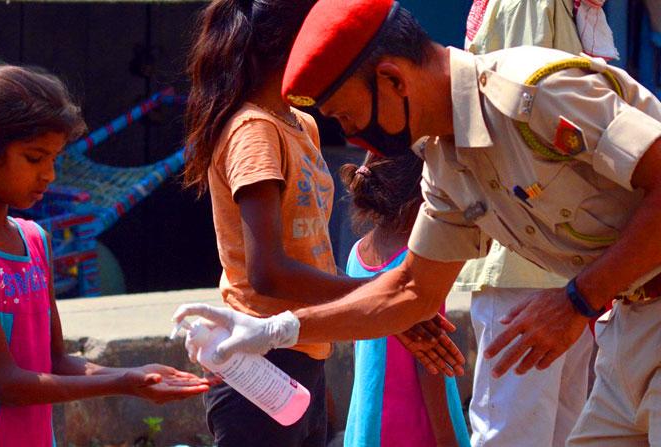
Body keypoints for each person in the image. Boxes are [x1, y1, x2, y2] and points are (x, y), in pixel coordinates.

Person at [174, 0, 661, 444]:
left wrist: (577, 300)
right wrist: (273, 331)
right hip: (629, 330)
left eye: (348, 116)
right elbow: (410, 291)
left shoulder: (534, 91)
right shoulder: (448, 163)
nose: (353, 139)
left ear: (392, 80)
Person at [182, 1, 461, 445]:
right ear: (291, 43)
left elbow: (307, 255)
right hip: (258, 361)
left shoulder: (301, 125)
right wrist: (384, 301)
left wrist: (385, 308)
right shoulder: (253, 130)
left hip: (305, 353)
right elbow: (267, 272)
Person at [0, 65, 210, 447]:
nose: (49, 174)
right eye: (34, 158)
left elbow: (56, 361)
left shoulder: (34, 240)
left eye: (54, 159)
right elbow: (6, 384)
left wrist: (138, 374)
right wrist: (124, 383)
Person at [460, 0, 596, 445]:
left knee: (566, 432)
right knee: (515, 433)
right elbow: (527, 122)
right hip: (529, 259)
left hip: (566, 267)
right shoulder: (533, 4)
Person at [340, 153, 470, 447]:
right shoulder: (419, 265)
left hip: (368, 419)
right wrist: (446, 438)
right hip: (418, 422)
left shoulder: (356, 254)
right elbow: (430, 363)